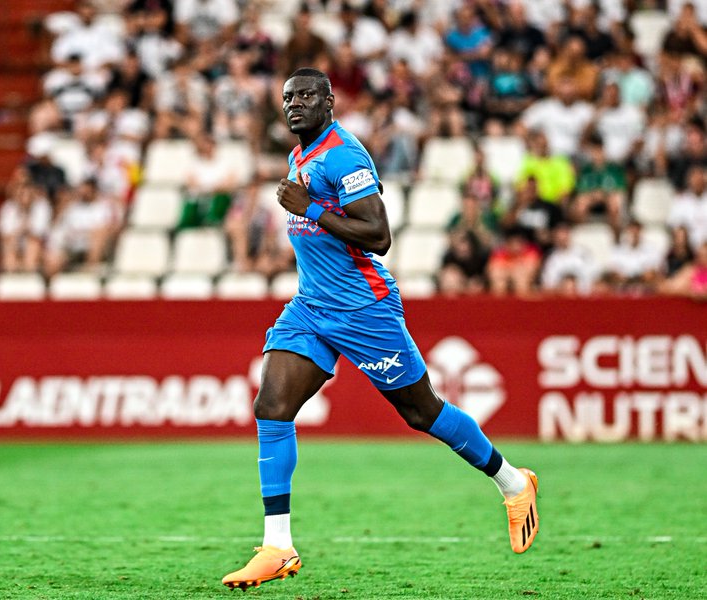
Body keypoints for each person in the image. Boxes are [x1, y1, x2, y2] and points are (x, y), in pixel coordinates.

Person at [221, 69, 540, 591]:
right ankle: (278, 546)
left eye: (305, 96)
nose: (294, 104)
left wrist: (311, 210)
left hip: (364, 310)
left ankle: (512, 481)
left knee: (422, 411)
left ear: (329, 102)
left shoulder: (343, 156)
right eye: (287, 98)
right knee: (271, 407)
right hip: (311, 307)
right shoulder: (299, 156)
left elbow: (378, 235)